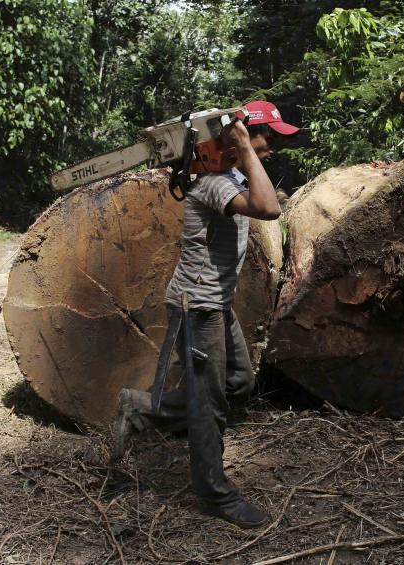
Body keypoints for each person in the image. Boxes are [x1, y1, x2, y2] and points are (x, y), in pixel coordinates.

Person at [112, 100, 299, 528]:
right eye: (265, 137)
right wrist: (244, 150)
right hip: (198, 306)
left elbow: (267, 200)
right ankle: (214, 494)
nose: (270, 146)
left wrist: (245, 154)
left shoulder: (229, 177)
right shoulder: (214, 184)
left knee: (239, 381)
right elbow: (269, 209)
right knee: (209, 402)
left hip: (214, 302)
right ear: (238, 136)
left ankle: (142, 408)